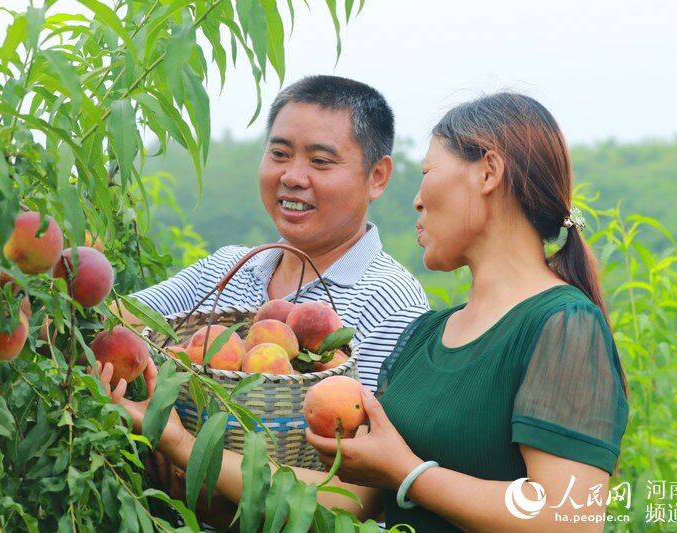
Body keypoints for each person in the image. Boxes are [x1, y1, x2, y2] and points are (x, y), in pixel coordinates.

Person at [100, 92, 629, 531]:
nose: (417, 199)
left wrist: (408, 473)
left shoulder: (561, 323)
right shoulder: (427, 336)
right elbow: (345, 500)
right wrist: (180, 442)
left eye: (428, 172)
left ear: (487, 171)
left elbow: (570, 516)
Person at [118, 75, 430, 392]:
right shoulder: (226, 270)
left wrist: (180, 442)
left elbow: (369, 435)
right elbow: (116, 322)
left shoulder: (390, 302)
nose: (292, 177)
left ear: (376, 177)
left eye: (320, 161)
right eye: (279, 154)